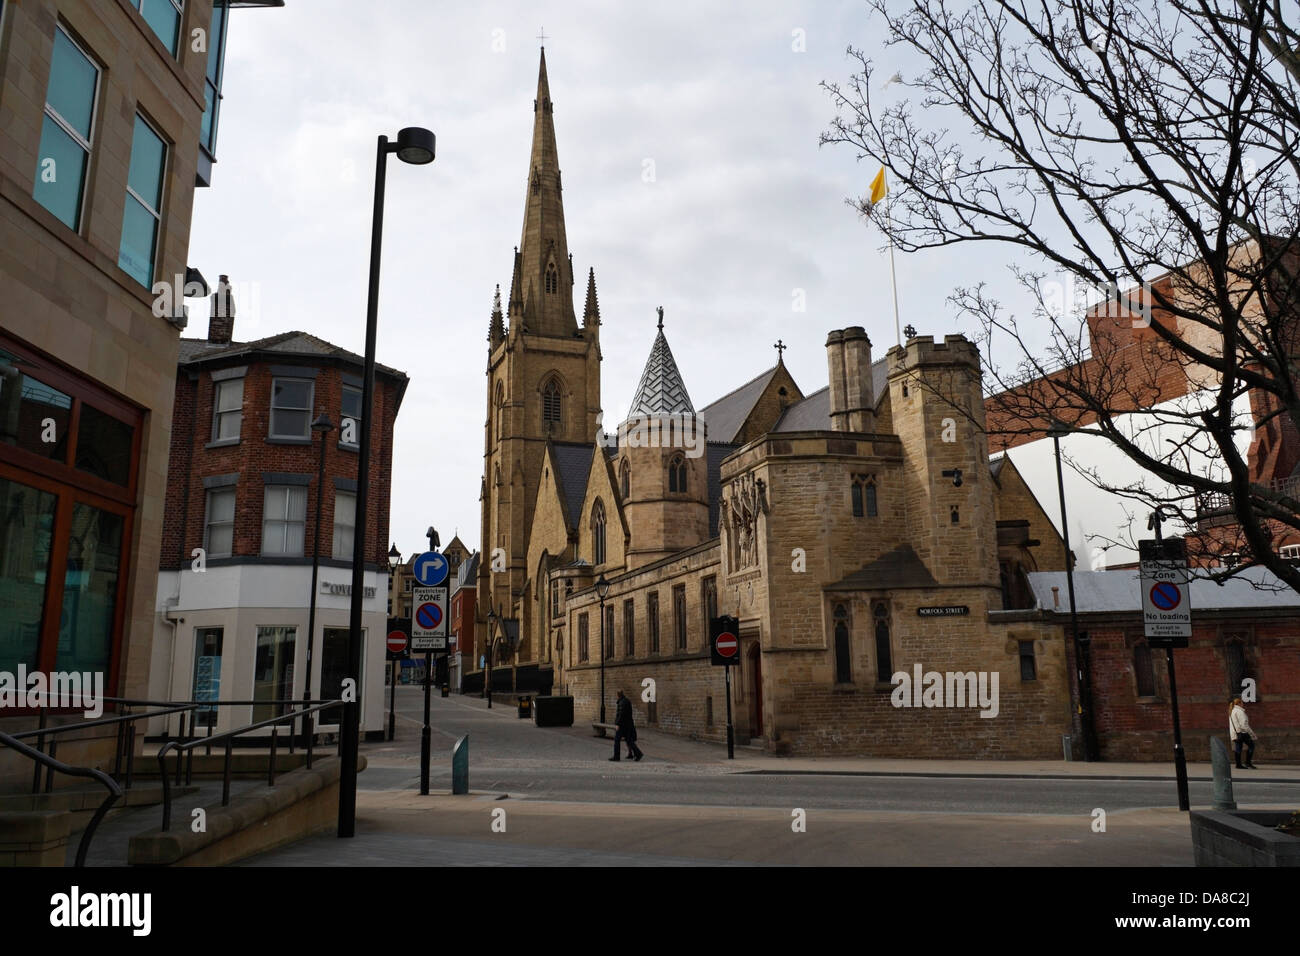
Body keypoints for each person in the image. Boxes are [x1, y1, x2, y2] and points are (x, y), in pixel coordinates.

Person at [610, 689, 643, 762]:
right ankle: (638, 754)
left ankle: (616, 756)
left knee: (617, 740)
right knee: (629, 740)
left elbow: (621, 714)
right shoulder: (626, 701)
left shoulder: (622, 702)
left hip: (622, 725)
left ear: (618, 695)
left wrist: (617, 724)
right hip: (628, 724)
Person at [1229, 697, 1259, 769]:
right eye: (1242, 703)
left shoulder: (1232, 711)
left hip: (1236, 733)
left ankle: (1238, 764)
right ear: (1239, 703)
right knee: (1251, 746)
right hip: (1242, 733)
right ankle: (1248, 763)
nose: (1243, 704)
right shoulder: (1240, 712)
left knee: (1238, 749)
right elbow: (1244, 725)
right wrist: (1252, 734)